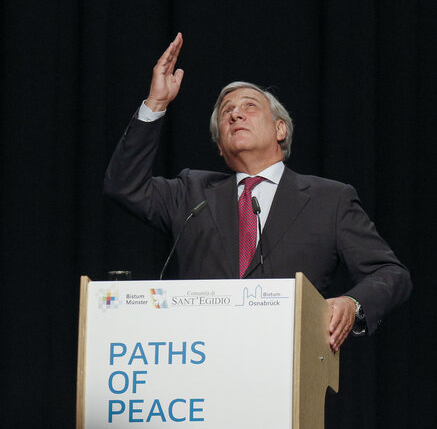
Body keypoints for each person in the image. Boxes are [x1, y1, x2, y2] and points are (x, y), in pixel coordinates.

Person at [104, 32, 412, 352]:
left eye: (249, 106)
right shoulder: (191, 193)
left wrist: (353, 303)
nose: (236, 114)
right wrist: (156, 104)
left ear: (281, 129)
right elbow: (124, 186)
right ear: (221, 147)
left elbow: (390, 273)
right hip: (198, 365)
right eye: (226, 112)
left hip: (288, 367)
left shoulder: (329, 200)